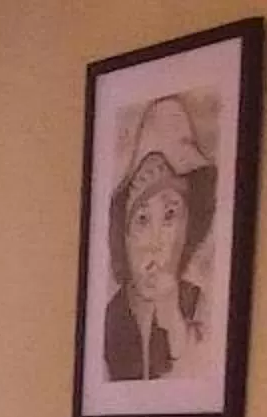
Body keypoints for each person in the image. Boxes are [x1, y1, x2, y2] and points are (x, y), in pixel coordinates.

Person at [102, 95, 217, 383]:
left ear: (189, 228)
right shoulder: (109, 318)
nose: (155, 242)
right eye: (141, 219)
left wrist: (173, 319)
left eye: (169, 216)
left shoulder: (200, 305)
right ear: (124, 234)